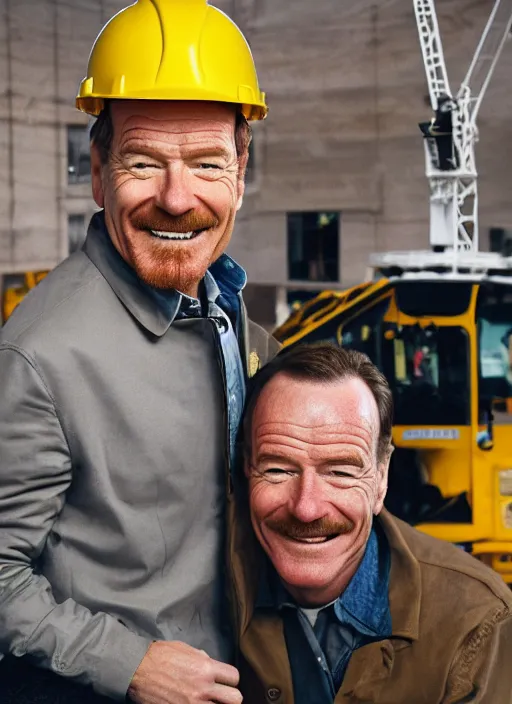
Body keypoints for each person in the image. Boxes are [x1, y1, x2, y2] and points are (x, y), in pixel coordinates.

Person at [0, 1, 279, 702]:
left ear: (241, 172)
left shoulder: (220, 308)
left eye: (208, 163)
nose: (178, 198)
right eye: (144, 161)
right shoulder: (40, 357)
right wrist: (129, 664)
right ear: (98, 171)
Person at [237, 343, 512, 704]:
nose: (306, 508)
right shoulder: (203, 587)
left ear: (381, 478)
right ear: (246, 469)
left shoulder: (478, 621)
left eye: (339, 472)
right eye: (278, 469)